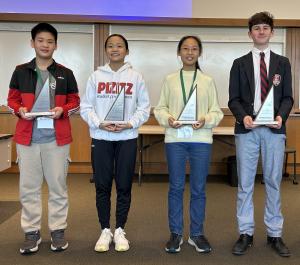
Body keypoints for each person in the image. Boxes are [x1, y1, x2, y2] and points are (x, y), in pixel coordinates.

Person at [7, 23, 80, 254]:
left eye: (50, 41)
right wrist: (19, 110)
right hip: (27, 138)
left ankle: (58, 230)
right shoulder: (21, 71)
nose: (45, 45)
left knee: (58, 187)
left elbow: (75, 101)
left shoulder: (65, 73)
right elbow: (12, 99)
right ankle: (31, 233)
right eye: (40, 40)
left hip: (56, 139)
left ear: (55, 45)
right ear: (32, 43)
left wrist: (63, 110)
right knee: (28, 188)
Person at [228, 12, 293, 257]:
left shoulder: (282, 63)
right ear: (250, 33)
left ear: (272, 32)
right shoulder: (239, 63)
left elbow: (288, 97)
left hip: (274, 131)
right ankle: (245, 233)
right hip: (248, 130)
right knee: (245, 184)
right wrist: (243, 116)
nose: (261, 31)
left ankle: (274, 233)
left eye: (266, 27)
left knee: (274, 182)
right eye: (257, 28)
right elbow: (233, 99)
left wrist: (281, 117)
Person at [80, 34, 150, 252]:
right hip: (101, 138)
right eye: (110, 46)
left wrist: (130, 124)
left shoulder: (136, 77)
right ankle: (104, 230)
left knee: (123, 186)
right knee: (102, 185)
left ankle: (119, 229)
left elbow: (144, 108)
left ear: (127, 51)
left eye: (119, 46)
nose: (115, 49)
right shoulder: (95, 77)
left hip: (126, 138)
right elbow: (86, 107)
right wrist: (99, 124)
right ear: (106, 51)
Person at [154, 35, 223, 254]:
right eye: (185, 48)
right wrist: (168, 120)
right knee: (175, 187)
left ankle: (196, 234)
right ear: (179, 52)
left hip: (200, 140)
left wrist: (205, 119)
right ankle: (175, 234)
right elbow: (160, 108)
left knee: (199, 189)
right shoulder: (170, 79)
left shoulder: (207, 80)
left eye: (194, 49)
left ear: (199, 53)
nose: (190, 52)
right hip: (175, 140)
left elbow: (217, 111)